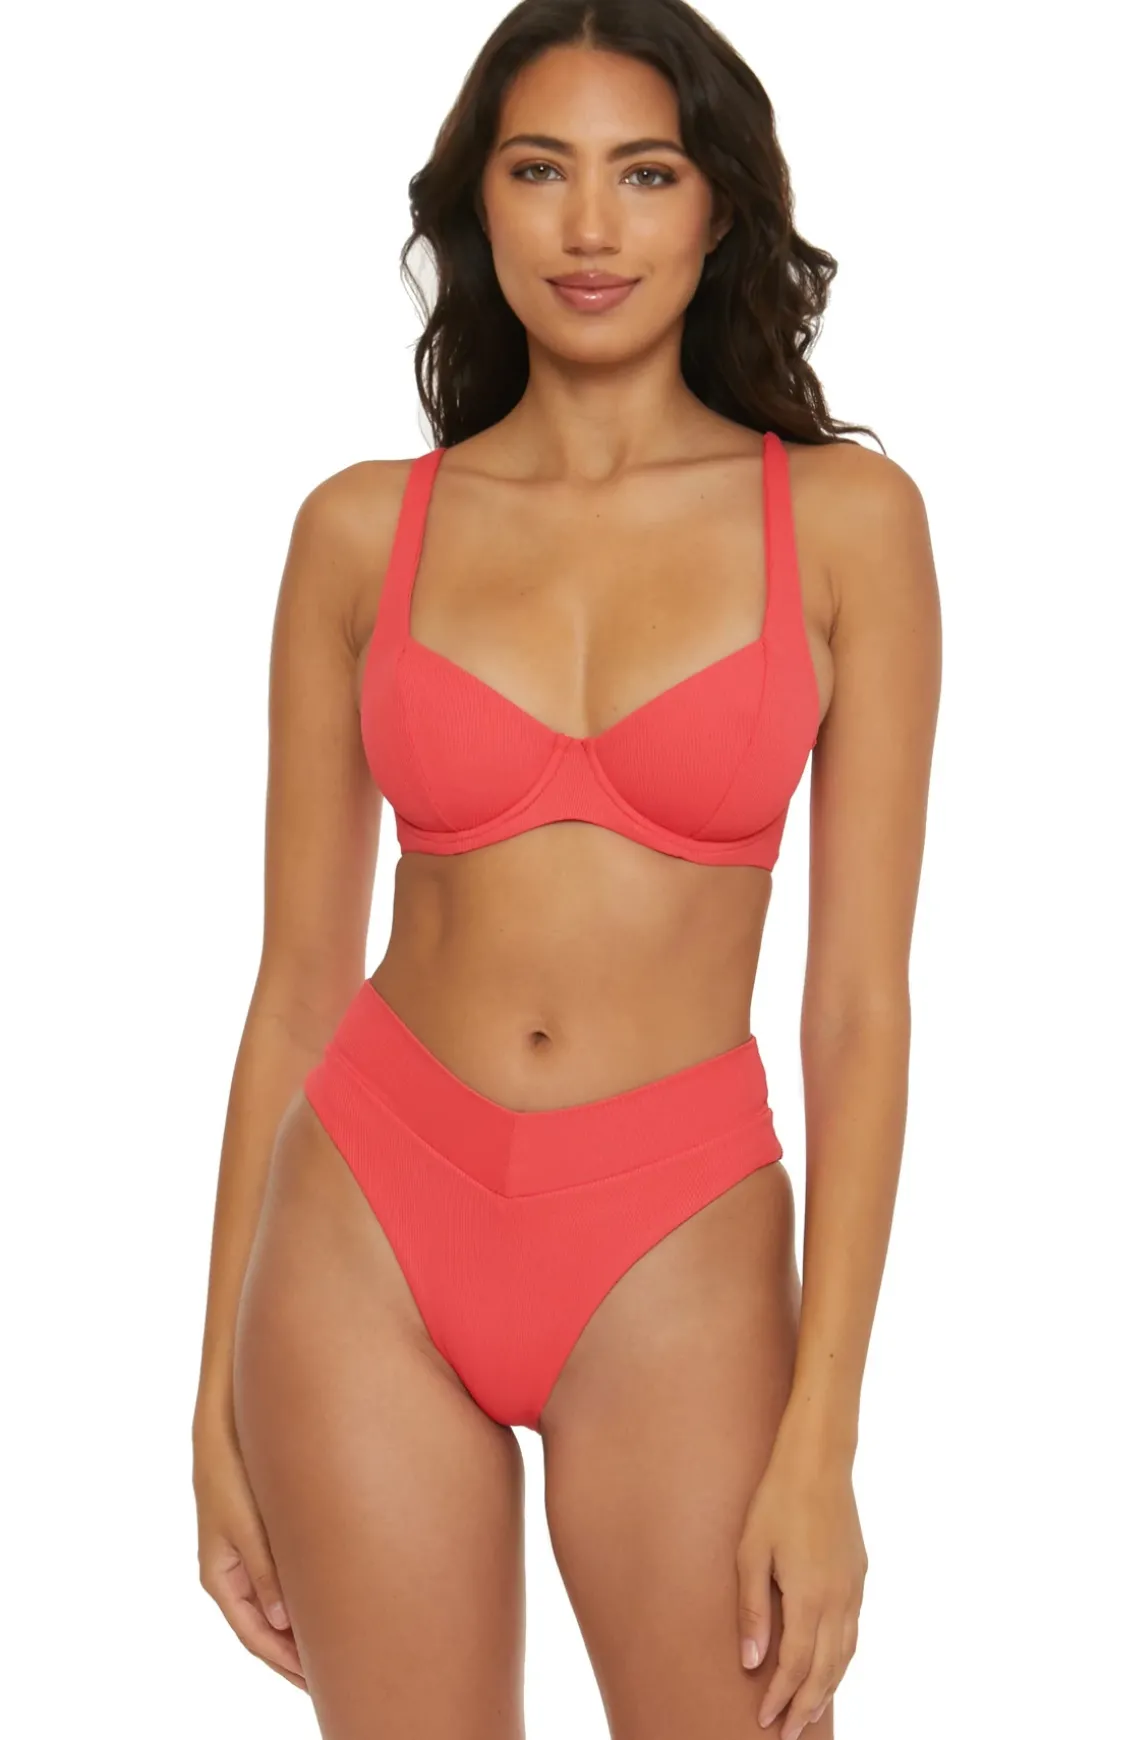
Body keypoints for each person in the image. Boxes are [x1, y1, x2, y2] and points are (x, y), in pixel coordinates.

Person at [191, 2, 941, 1735]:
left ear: (721, 207)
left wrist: (825, 1439)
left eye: (646, 174)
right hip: (367, 1216)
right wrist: (210, 1392)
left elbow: (858, 1006)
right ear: (479, 202)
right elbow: (295, 983)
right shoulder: (359, 530)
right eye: (540, 171)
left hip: (676, 1234)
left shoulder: (845, 525)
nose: (591, 227)